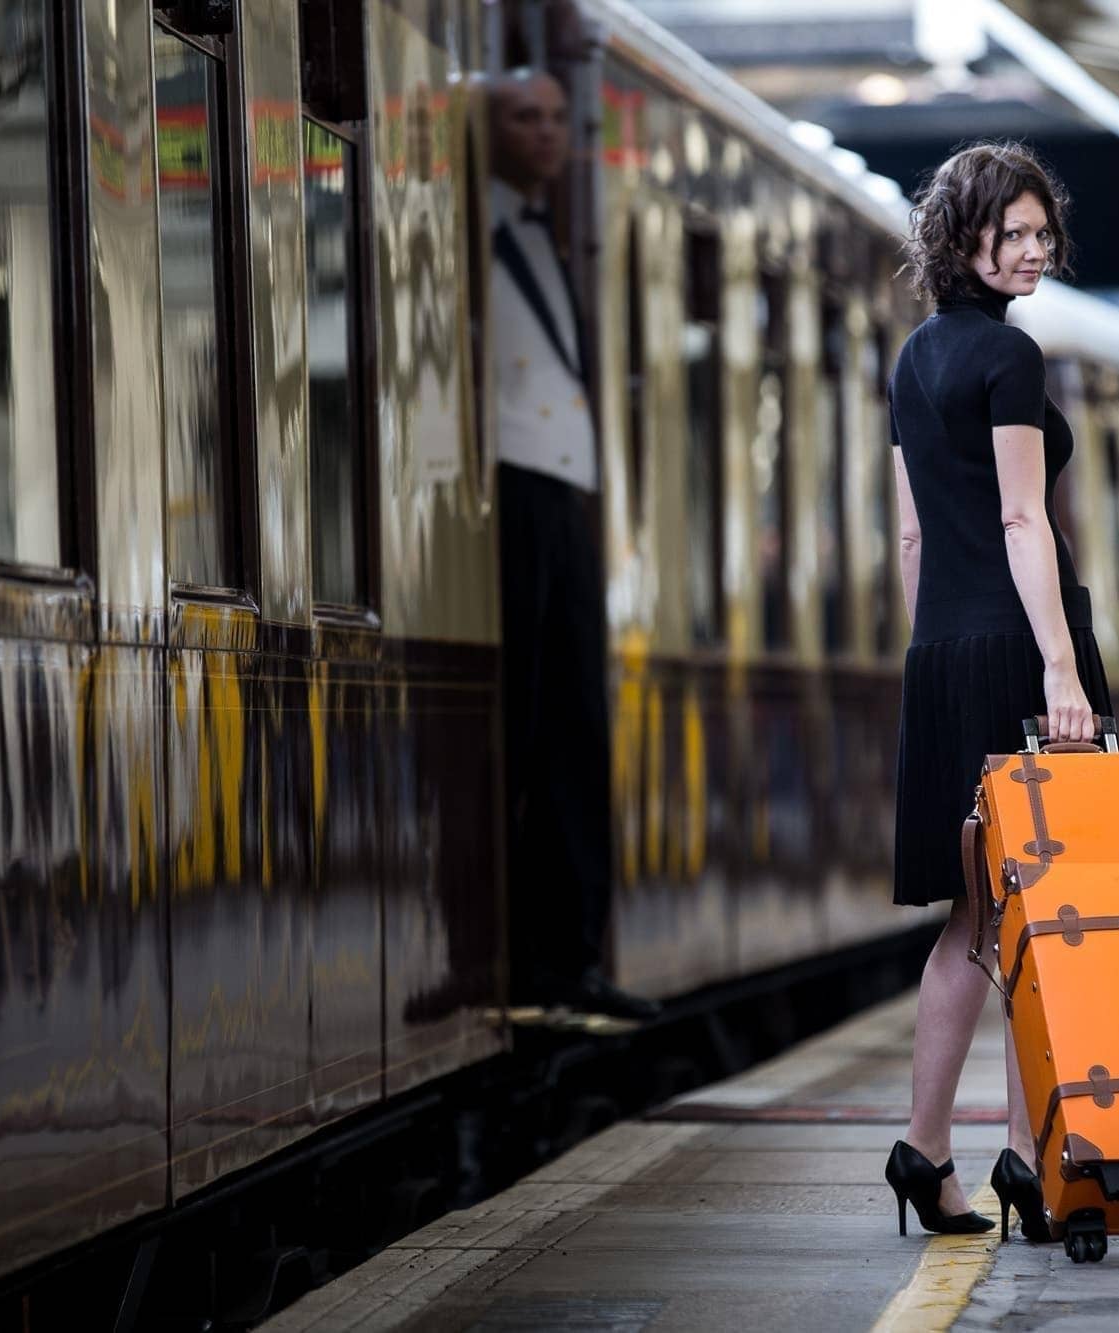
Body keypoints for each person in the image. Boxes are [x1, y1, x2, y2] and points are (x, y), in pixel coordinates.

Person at [880, 142, 1114, 1241]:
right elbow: (1025, 522)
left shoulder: (910, 359)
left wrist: (933, 653)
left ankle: (928, 1151)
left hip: (943, 652)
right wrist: (1059, 669)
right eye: (1008, 233)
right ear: (960, 239)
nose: (1031, 252)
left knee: (977, 918)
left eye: (1039, 233)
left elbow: (915, 538)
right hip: (1018, 655)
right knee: (1040, 916)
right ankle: (1025, 1155)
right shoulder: (1010, 366)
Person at [488, 68, 655, 1021]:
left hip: (565, 487)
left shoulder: (545, 233)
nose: (547, 133)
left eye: (556, 117)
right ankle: (542, 952)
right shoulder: (482, 227)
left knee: (574, 724)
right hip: (516, 487)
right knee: (538, 721)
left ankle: (573, 952)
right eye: (524, 117)